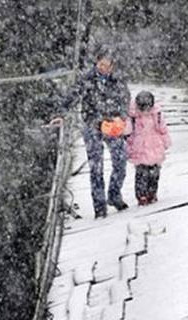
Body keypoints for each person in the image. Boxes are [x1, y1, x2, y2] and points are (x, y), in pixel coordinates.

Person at [51, 49, 130, 218]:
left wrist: (121, 117)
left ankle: (114, 195)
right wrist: (60, 114)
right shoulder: (87, 79)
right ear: (96, 63)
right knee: (96, 167)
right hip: (92, 124)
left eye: (107, 66)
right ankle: (99, 207)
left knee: (121, 160)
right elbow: (72, 96)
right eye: (101, 64)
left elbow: (125, 99)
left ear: (112, 66)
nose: (104, 68)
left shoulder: (118, 81)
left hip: (112, 124)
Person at [126, 90, 171, 205]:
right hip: (139, 147)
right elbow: (129, 133)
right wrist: (128, 148)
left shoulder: (157, 114)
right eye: (143, 106)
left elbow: (163, 129)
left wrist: (166, 142)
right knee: (141, 173)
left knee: (154, 173)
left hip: (155, 146)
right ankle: (141, 195)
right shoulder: (133, 116)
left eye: (148, 106)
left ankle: (152, 193)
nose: (146, 109)